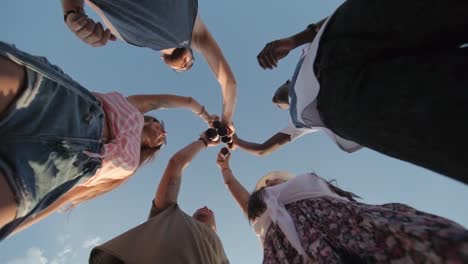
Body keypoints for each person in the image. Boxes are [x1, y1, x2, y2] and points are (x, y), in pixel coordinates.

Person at [232, 0, 468, 184]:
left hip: (340, 36)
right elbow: (263, 149)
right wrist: (235, 141)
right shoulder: (299, 123)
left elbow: (328, 26)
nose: (277, 101)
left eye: (279, 99)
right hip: (341, 102)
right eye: (279, 106)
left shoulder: (306, 54)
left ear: (287, 81)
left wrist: (294, 40)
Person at [0, 41, 217, 240]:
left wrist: (20, 222)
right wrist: (207, 116)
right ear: (150, 121)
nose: (163, 134)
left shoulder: (128, 170)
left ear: (152, 148)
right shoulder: (135, 108)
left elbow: (71, 194)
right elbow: (180, 101)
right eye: (161, 127)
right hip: (68, 109)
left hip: (59, 166)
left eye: (162, 141)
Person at [216, 153, 468, 263]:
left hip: (347, 222)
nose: (269, 182)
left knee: (420, 243)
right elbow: (236, 190)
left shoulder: (313, 186)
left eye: (272, 179)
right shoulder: (265, 211)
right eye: (266, 183)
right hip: (288, 250)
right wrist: (225, 168)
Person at [61, 0, 237, 132]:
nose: (185, 64)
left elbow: (90, 7)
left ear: (163, 60)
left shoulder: (123, 35)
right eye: (191, 62)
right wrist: (226, 122)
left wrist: (73, 14)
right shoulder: (196, 31)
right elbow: (229, 82)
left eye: (183, 69)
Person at [89, 132, 229, 264]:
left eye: (208, 209)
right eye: (202, 208)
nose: (205, 207)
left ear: (216, 230)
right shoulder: (170, 216)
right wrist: (203, 141)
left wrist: (225, 168)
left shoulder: (223, 258)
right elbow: (176, 163)